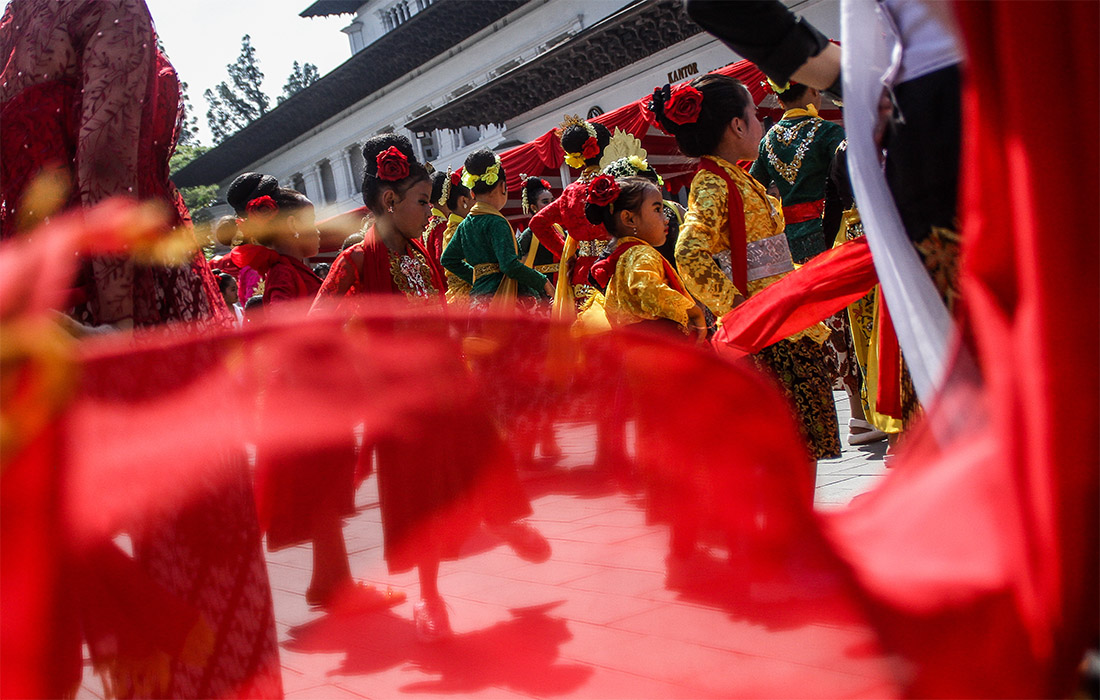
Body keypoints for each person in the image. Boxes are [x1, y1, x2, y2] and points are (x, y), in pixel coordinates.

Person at [0, 1, 281, 696]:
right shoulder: (105, 5)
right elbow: (107, 164)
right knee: (198, 548)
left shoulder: (11, 29)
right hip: (140, 301)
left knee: (80, 558)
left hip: (42, 314)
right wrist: (119, 332)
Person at [312, 134, 549, 642]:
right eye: (423, 202)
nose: (430, 212)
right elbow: (316, 325)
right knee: (417, 502)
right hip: (403, 403)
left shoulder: (423, 256)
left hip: (450, 385)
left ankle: (499, 520)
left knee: (481, 458)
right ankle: (429, 596)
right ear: (390, 200)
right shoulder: (356, 261)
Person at [651, 74, 841, 461]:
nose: (760, 122)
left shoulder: (734, 177)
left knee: (799, 450)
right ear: (737, 125)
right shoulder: (714, 183)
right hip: (768, 333)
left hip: (781, 322)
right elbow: (689, 252)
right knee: (790, 453)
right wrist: (740, 308)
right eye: (754, 115)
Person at [582, 175, 705, 339]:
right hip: (656, 342)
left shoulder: (623, 255)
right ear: (629, 219)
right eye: (657, 210)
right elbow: (648, 288)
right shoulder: (641, 253)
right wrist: (692, 311)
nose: (666, 219)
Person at [440, 149, 554, 310]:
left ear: (472, 192)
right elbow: (509, 266)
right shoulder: (496, 222)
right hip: (505, 302)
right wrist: (543, 281)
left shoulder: (465, 225)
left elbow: (448, 259)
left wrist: (479, 278)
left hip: (478, 302)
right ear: (503, 187)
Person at [749, 81, 845, 264]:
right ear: (813, 90)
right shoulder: (829, 132)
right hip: (832, 230)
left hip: (791, 239)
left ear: (779, 100)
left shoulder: (766, 141)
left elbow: (752, 188)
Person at [528, 117, 614, 311]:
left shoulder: (571, 192)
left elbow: (537, 222)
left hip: (582, 273)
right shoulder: (614, 183)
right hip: (614, 265)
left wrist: (568, 254)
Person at [435, 168, 474, 303]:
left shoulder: (452, 229)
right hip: (469, 299)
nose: (477, 203)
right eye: (473, 198)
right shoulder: (461, 231)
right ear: (463, 201)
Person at [515, 175, 560, 289]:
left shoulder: (561, 231)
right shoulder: (529, 234)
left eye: (552, 201)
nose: (551, 205)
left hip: (563, 286)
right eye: (545, 202)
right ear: (533, 207)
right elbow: (517, 264)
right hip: (540, 289)